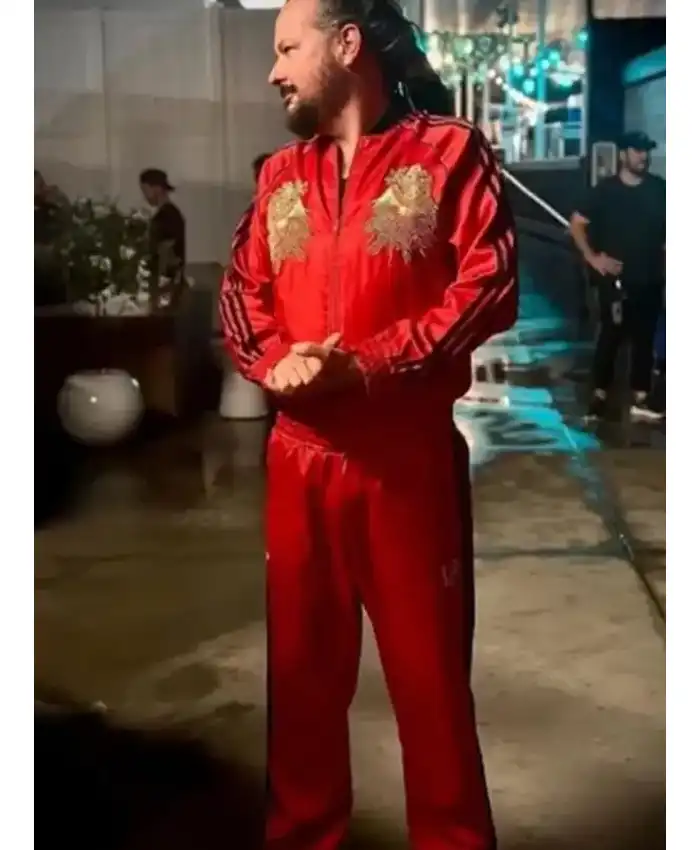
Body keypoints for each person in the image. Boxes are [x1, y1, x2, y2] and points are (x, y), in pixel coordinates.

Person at [219, 1, 518, 848]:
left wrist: (372, 363)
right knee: (301, 688)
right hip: (299, 463)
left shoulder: (450, 153)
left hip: (405, 464)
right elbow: (242, 290)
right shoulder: (279, 176)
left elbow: (489, 286)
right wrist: (274, 360)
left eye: (288, 48)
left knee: (431, 690)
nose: (274, 71)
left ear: (347, 44)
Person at [570, 131, 665, 421]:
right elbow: (577, 223)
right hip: (615, 279)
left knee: (644, 338)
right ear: (623, 155)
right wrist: (592, 257)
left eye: (646, 150)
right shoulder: (605, 191)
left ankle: (641, 396)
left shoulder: (659, 189)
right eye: (637, 150)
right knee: (611, 334)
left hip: (650, 275)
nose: (643, 156)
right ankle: (599, 395)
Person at [139, 168, 187, 286]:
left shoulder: (167, 216)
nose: (144, 196)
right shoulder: (170, 213)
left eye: (145, 190)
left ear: (157, 189)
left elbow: (166, 250)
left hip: (166, 281)